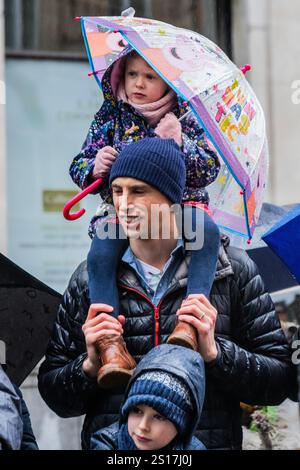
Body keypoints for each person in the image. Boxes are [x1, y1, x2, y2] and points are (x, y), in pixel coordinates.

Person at [39, 138, 296, 450]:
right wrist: (89, 366)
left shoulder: (232, 271)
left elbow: (277, 383)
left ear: (172, 199)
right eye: (117, 191)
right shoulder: (87, 279)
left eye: (138, 191)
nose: (123, 203)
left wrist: (216, 354)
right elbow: (56, 397)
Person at [69, 49, 221, 386]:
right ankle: (112, 345)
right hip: (121, 213)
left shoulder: (186, 116)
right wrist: (95, 166)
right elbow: (78, 165)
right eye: (132, 74)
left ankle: (190, 323)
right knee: (101, 253)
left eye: (150, 77)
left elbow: (210, 167)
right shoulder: (111, 116)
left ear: (168, 82)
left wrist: (181, 143)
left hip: (181, 208)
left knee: (206, 232)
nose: (138, 84)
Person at [90, 344, 206, 450]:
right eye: (136, 410)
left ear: (182, 424)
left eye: (159, 417)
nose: (143, 426)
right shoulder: (106, 443)